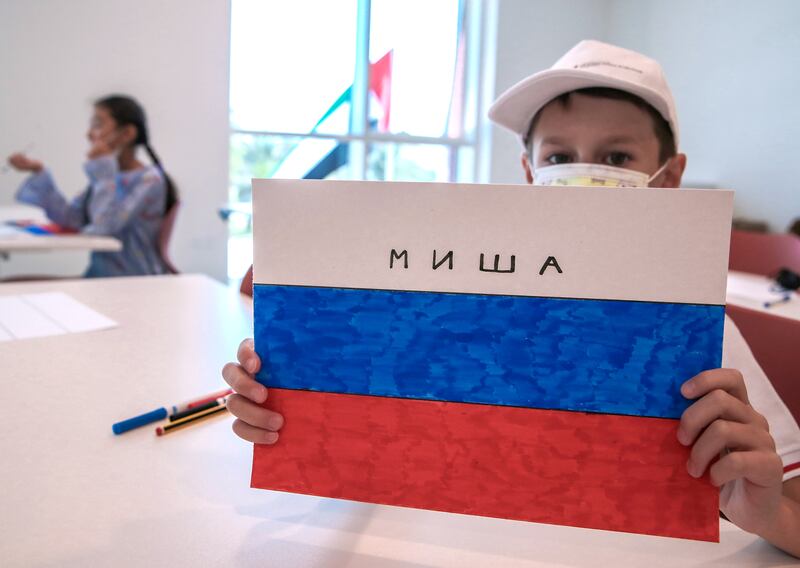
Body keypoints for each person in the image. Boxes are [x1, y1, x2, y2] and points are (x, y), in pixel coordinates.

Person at [221, 41, 800, 556]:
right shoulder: (458, 305)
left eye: (617, 158)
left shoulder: (702, 332)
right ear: (528, 172)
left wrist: (767, 513)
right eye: (558, 158)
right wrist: (290, 401)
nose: (583, 175)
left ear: (668, 179)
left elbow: (787, 504)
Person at [6, 95, 178, 277]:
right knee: (12, 284)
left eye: (98, 125)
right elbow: (71, 218)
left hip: (131, 282)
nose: (89, 134)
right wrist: (38, 172)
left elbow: (103, 228)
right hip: (99, 276)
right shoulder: (109, 176)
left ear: (127, 133)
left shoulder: (149, 180)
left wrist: (104, 173)